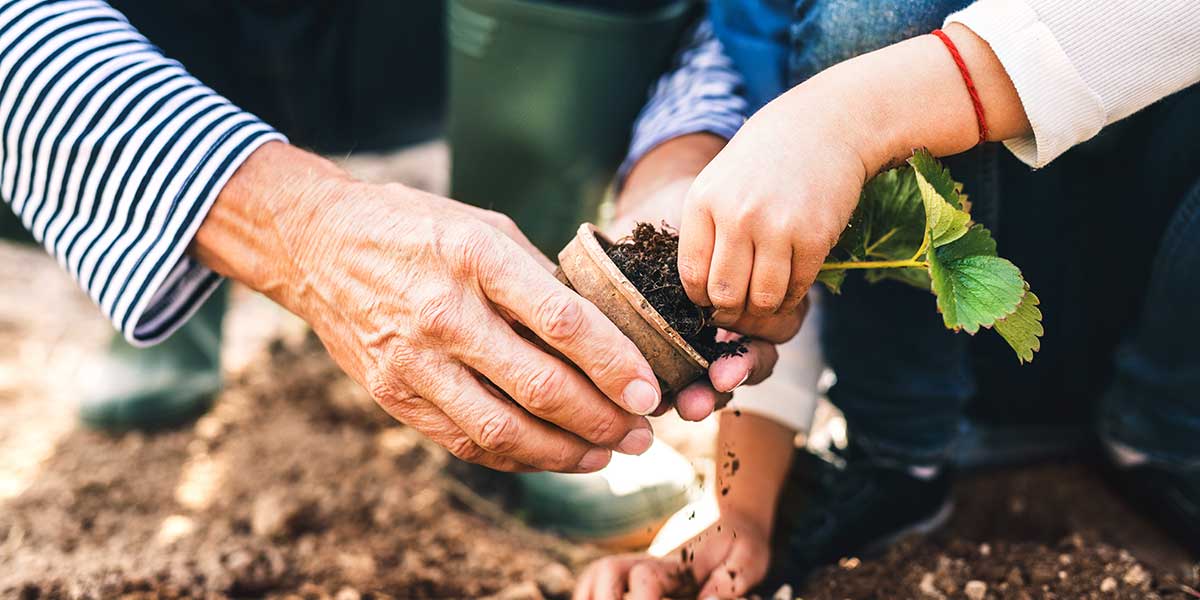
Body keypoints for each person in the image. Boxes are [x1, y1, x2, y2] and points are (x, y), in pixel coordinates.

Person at [0, 0, 790, 473]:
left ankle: (534, 332)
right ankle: (167, 264)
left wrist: (678, 157)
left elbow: (734, 15)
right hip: (134, 39)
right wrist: (298, 225)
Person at [575, 0, 1200, 596]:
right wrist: (740, 509)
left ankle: (1168, 433)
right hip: (927, 385)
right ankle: (900, 459)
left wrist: (852, 116)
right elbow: (779, 186)